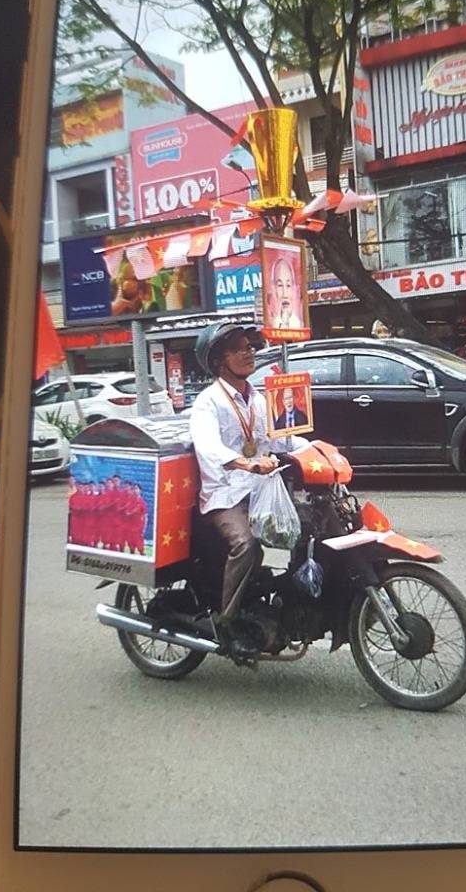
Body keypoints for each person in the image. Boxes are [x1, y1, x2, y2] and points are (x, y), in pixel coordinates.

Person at [189, 323, 310, 643]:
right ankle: (227, 621)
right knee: (248, 544)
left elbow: (280, 439)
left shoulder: (258, 399)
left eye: (249, 346)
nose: (248, 352)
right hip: (225, 495)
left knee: (307, 528)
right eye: (238, 349)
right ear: (218, 361)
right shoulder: (207, 402)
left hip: (259, 491)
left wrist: (317, 449)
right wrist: (247, 463)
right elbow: (208, 447)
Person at [268, 256, 302, 329]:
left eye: (288, 285)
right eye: (280, 285)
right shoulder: (272, 324)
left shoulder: (298, 324)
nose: (285, 294)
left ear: (293, 289)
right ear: (274, 289)